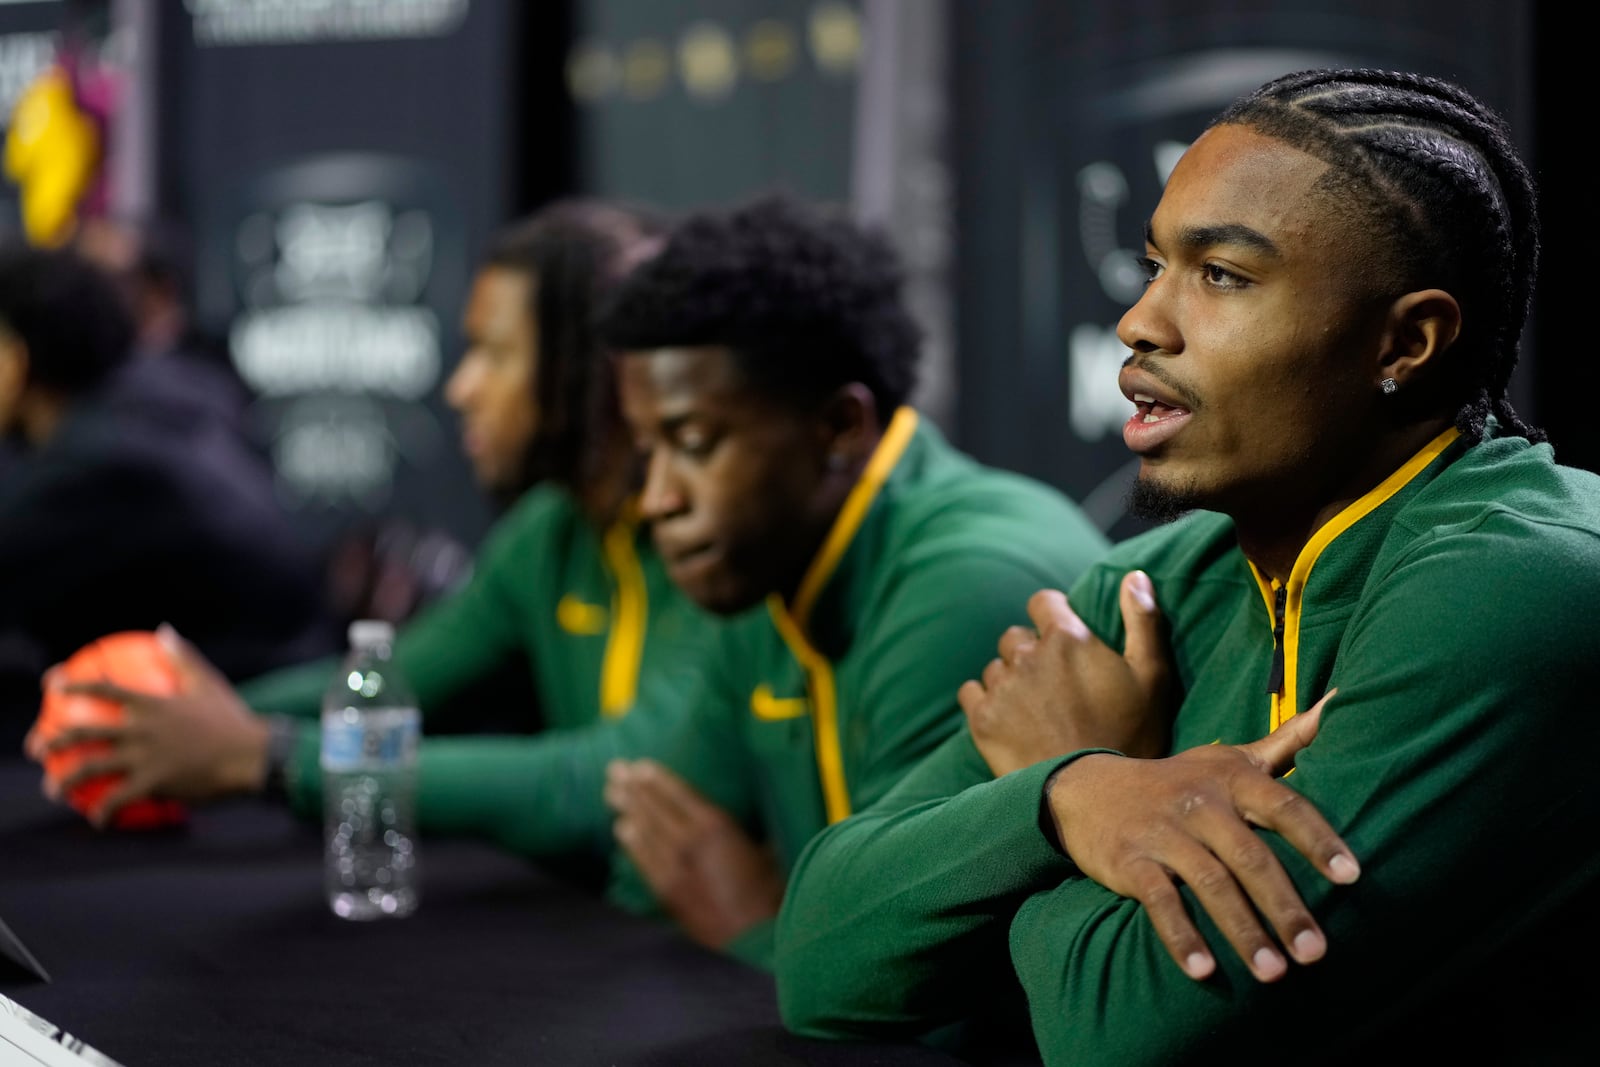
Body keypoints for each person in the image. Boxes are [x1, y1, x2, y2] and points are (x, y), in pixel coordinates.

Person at [771, 67, 1600, 1064]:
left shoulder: (1519, 586)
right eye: (1153, 263)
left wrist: (1070, 770)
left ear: (1407, 340)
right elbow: (818, 959)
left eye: (1222, 275)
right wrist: (1077, 793)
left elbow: (1126, 1036)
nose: (1141, 321)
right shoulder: (1149, 584)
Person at [28, 200, 722, 880]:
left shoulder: (717, 550)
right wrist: (156, 721)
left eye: (494, 353)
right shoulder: (551, 530)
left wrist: (265, 756)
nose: (461, 387)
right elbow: (387, 681)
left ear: (592, 370)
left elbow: (597, 783)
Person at [592, 193, 1111, 968]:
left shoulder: (967, 586)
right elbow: (653, 863)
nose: (658, 498)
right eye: (646, 450)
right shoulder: (766, 562)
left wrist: (751, 924)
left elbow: (909, 981)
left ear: (839, 427)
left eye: (695, 442)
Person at [0, 238, 334, 750]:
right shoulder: (166, 393)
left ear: (17, 358)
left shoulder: (96, 460)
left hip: (240, 727)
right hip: (274, 686)